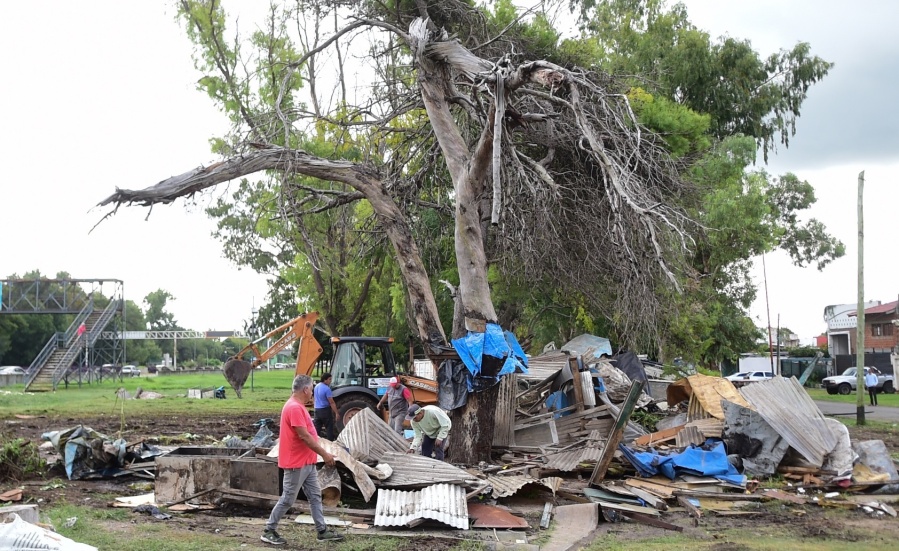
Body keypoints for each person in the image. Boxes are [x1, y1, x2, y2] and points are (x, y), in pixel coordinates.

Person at [261, 375, 344, 545]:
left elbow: (309, 436)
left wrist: (320, 453)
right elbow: (305, 437)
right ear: (305, 389)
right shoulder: (294, 408)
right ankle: (269, 529)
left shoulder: (298, 407)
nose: (312, 392)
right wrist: (325, 455)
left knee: (315, 496)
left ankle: (322, 531)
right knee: (288, 499)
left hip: (307, 461)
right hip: (296, 463)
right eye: (311, 389)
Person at [313, 373, 339, 440]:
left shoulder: (316, 386)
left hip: (317, 410)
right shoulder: (327, 389)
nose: (330, 381)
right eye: (329, 379)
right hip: (325, 410)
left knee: (317, 428)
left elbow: (314, 398)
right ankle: (330, 442)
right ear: (325, 380)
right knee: (329, 427)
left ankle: (316, 442)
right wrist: (336, 413)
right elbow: (331, 402)